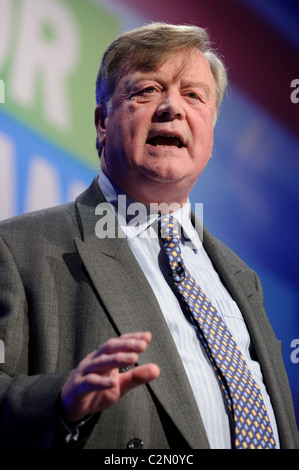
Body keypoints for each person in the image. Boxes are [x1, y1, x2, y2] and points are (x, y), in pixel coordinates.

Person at [0, 22, 298, 450]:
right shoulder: (19, 249)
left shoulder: (242, 278)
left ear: (210, 134)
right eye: (147, 91)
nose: (172, 108)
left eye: (194, 95)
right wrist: (59, 400)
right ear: (103, 123)